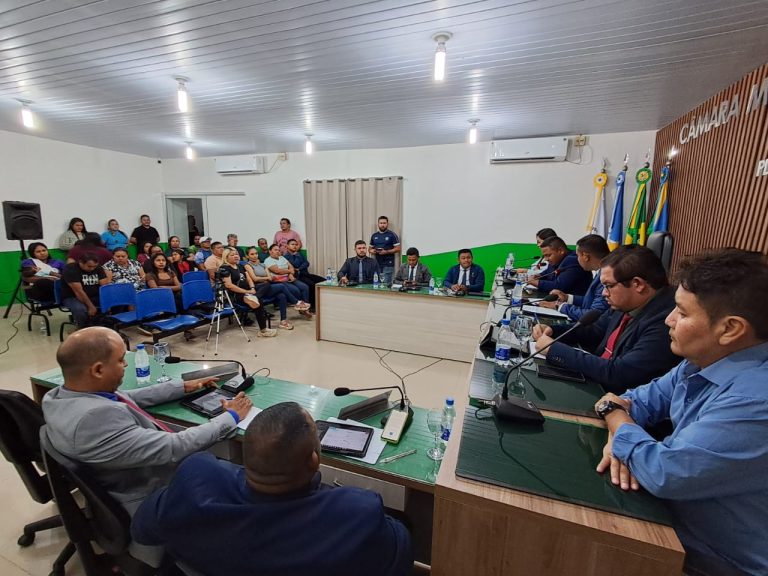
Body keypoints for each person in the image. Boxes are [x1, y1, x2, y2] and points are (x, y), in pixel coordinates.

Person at [594, 248, 768, 576]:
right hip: (671, 534)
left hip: (718, 564)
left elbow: (665, 472)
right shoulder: (699, 362)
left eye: (682, 312)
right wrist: (621, 427)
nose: (668, 319)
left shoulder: (756, 401)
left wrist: (616, 421)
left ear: (730, 329)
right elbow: (635, 400)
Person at [131, 402, 412, 576]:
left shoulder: (195, 481)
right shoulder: (356, 514)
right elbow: (400, 554)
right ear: (314, 461)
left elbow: (142, 529)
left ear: (246, 456)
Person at [41, 327, 252, 515]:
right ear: (97, 370)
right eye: (120, 360)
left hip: (129, 469)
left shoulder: (59, 396)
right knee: (237, 477)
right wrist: (231, 416)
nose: (126, 364)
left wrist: (183, 386)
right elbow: (175, 447)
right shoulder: (94, 420)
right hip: (148, 496)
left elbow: (126, 397)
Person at [533, 245, 680, 392]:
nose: (604, 293)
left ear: (638, 284)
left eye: (609, 286)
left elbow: (620, 373)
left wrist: (554, 350)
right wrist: (553, 330)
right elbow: (594, 330)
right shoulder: (626, 302)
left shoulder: (667, 321)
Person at [538, 234, 609, 321]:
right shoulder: (601, 272)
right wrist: (567, 297)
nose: (577, 259)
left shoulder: (607, 277)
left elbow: (593, 314)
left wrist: (560, 306)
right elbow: (590, 301)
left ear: (585, 256)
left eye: (578, 255)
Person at [244, 246, 309, 330]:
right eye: (252, 254)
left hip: (267, 286)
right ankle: (296, 302)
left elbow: (270, 278)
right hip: (259, 289)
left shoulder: (262, 264)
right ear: (247, 256)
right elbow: (255, 279)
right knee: (281, 286)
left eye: (256, 253)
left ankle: (283, 321)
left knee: (282, 296)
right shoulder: (247, 265)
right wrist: (266, 278)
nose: (255, 256)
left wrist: (265, 278)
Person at [218, 248, 277, 337]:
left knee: (266, 284)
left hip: (249, 292)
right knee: (259, 301)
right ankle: (263, 330)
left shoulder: (240, 266)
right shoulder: (224, 268)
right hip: (237, 294)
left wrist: (252, 288)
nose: (236, 256)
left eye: (236, 254)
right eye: (232, 255)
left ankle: (254, 297)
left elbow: (249, 279)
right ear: (226, 257)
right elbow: (229, 285)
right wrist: (247, 291)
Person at [527, 236, 593, 295]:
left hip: (576, 302)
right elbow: (548, 272)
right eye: (545, 256)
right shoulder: (557, 260)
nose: (546, 259)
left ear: (561, 251)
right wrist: (538, 276)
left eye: (548, 255)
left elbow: (559, 287)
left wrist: (535, 282)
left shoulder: (573, 260)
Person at [60, 253, 110, 328]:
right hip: (73, 297)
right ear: (80, 262)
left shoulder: (97, 267)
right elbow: (78, 292)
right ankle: (82, 328)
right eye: (89, 266)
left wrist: (109, 301)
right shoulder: (70, 269)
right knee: (80, 309)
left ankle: (106, 326)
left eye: (94, 266)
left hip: (94, 295)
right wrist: (91, 306)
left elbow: (104, 286)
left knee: (115, 303)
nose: (92, 269)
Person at [264, 243, 313, 318]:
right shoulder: (268, 260)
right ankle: (301, 307)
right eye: (275, 250)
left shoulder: (282, 258)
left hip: (289, 278)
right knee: (295, 290)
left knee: (304, 287)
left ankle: (305, 309)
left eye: (279, 250)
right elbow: (277, 271)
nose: (278, 251)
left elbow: (291, 267)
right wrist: (289, 272)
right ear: (270, 251)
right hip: (279, 281)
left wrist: (290, 273)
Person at [284, 238, 325, 309]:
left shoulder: (299, 254)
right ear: (287, 246)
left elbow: (307, 263)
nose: (295, 246)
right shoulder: (285, 257)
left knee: (323, 280)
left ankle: (323, 301)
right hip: (298, 276)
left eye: (296, 244)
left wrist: (299, 268)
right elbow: (294, 264)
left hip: (306, 274)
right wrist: (297, 257)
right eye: (292, 244)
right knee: (311, 285)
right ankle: (313, 306)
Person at [369, 215, 401, 281]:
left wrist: (386, 252)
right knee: (376, 282)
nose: (382, 225)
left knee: (385, 283)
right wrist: (373, 251)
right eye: (381, 223)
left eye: (384, 223)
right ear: (378, 224)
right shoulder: (374, 235)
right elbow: (369, 249)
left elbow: (398, 249)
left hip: (388, 264)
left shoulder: (392, 234)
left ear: (387, 224)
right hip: (376, 263)